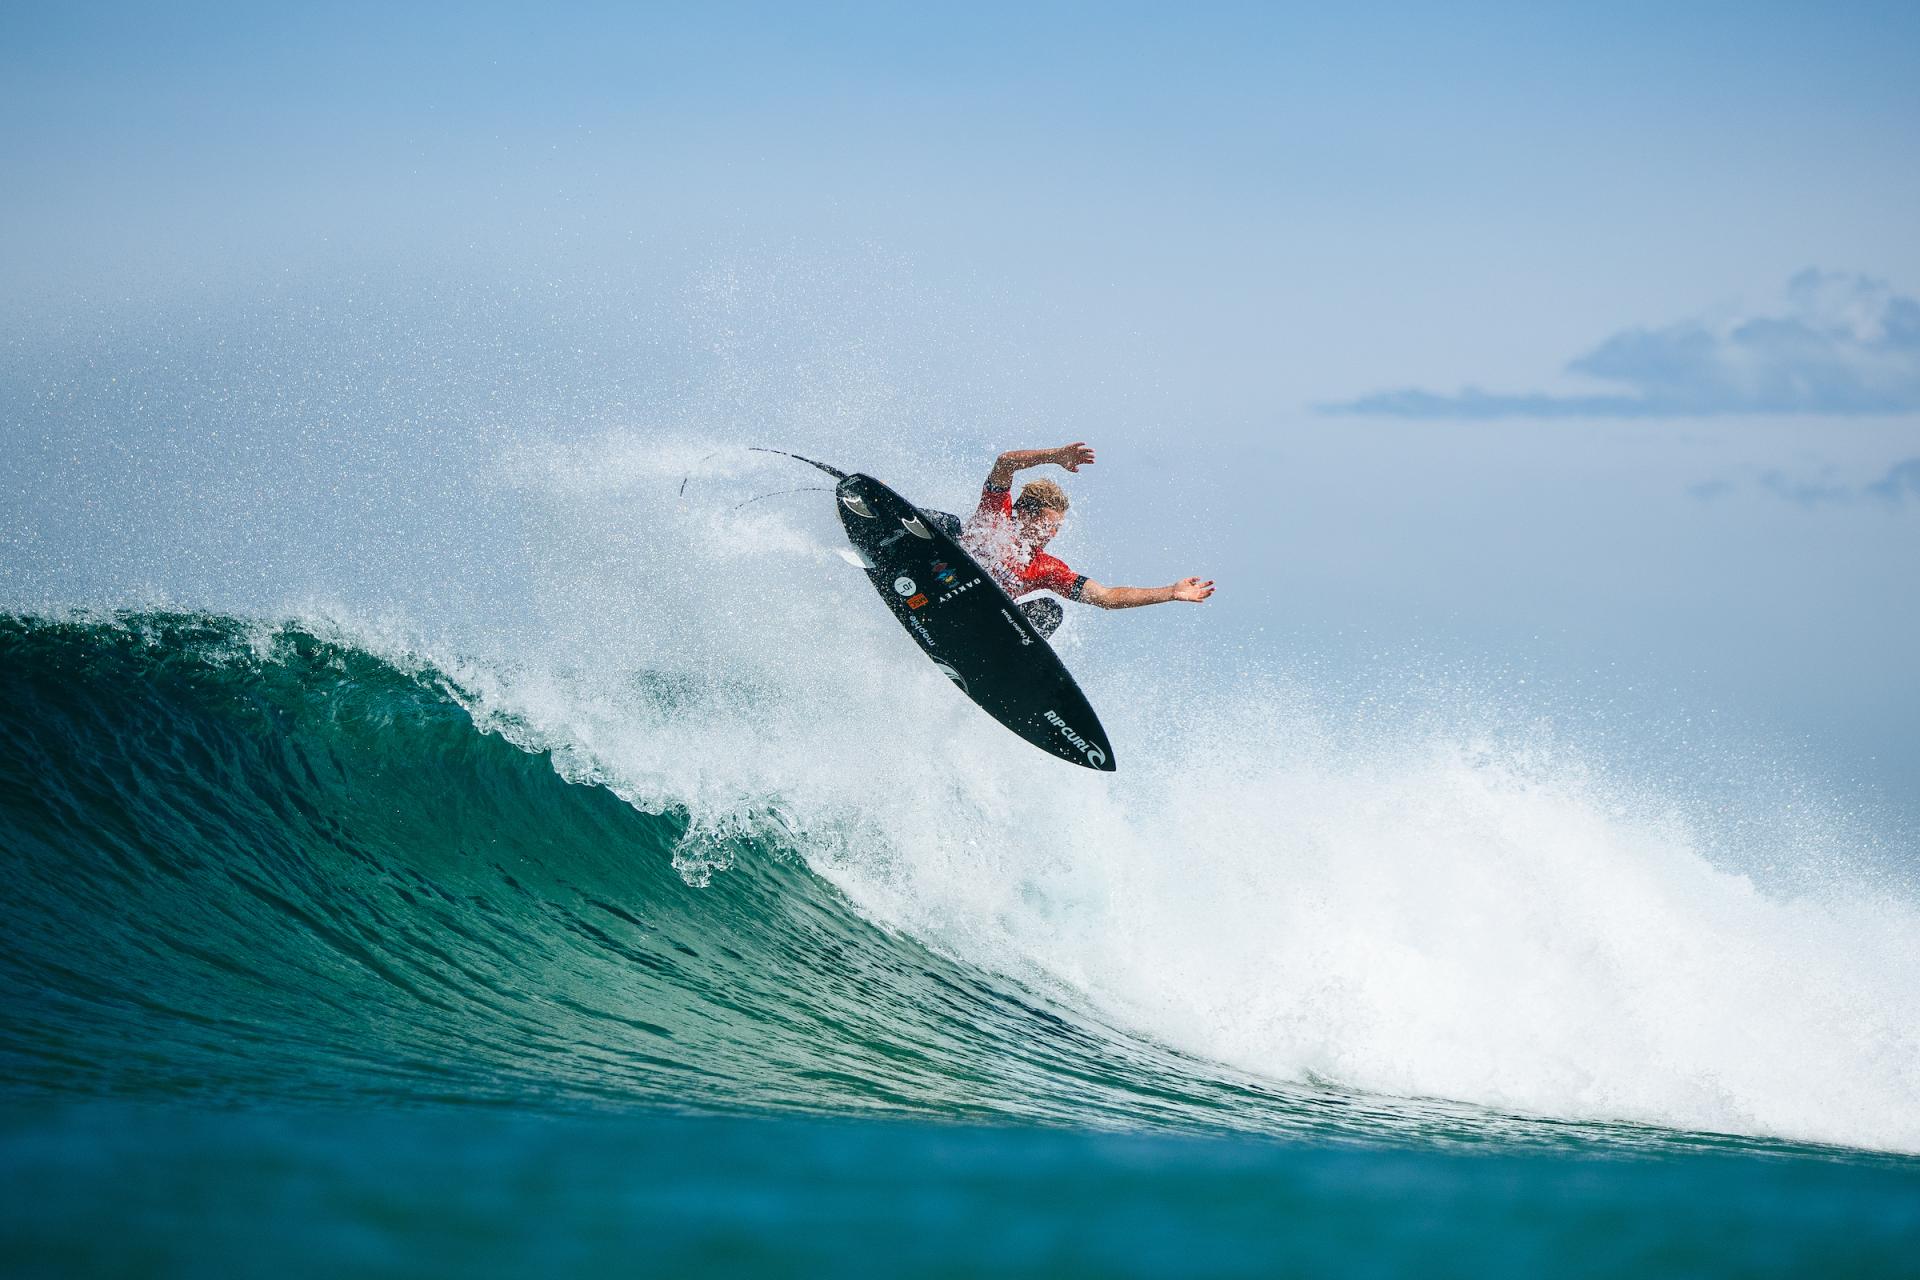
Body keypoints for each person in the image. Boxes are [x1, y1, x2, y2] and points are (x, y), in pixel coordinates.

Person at [955, 442, 1214, 638]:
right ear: (1023, 513)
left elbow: (1107, 597)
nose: (1052, 534)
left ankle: (1000, 659)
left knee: (1049, 611)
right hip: (942, 575)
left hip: (978, 621)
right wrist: (1054, 456)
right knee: (946, 523)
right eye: (1048, 525)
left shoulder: (1046, 568)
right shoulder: (995, 515)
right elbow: (1005, 463)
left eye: (1057, 528)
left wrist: (1170, 592)